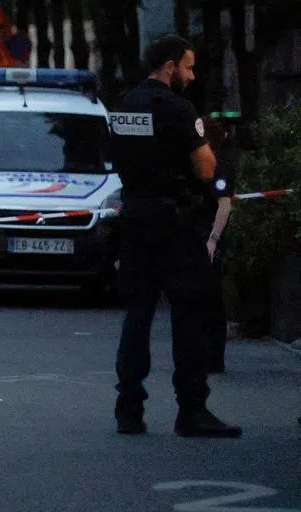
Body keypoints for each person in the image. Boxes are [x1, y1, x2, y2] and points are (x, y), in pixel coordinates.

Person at [109, 35, 241, 438]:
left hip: (134, 217)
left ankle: (128, 409)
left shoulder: (124, 104)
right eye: (187, 66)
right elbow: (204, 169)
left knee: (138, 315)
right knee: (190, 312)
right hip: (174, 221)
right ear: (169, 65)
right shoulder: (179, 110)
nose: (191, 74)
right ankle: (192, 409)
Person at [200, 116, 237, 374]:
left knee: (212, 302)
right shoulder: (200, 162)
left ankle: (214, 358)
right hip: (197, 237)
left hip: (209, 240)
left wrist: (213, 239)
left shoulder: (218, 165)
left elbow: (224, 204)